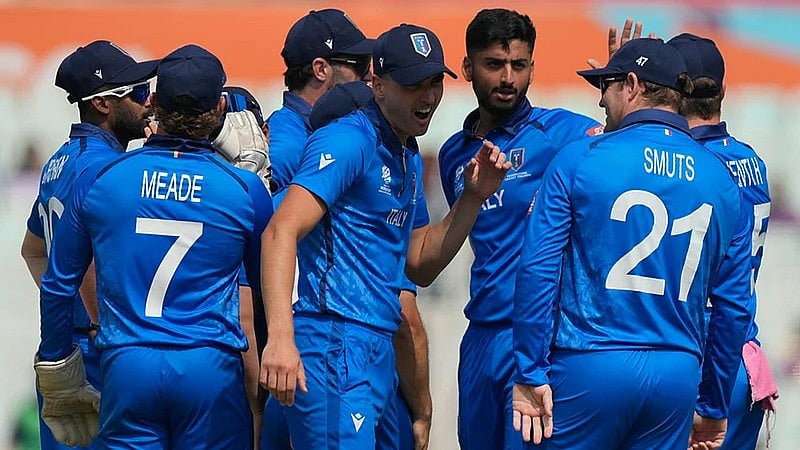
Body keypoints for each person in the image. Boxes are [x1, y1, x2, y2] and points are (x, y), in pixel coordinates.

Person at [259, 23, 510, 450]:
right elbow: (280, 229)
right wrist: (281, 337)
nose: (428, 97)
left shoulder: (405, 152)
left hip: (372, 347)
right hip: (333, 340)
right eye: (414, 84)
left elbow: (420, 263)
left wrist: (471, 198)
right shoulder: (350, 139)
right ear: (376, 84)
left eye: (434, 83)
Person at [512, 38, 752, 449]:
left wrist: (530, 371)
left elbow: (537, 271)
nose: (602, 101)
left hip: (590, 362)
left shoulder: (578, 159)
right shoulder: (724, 181)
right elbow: (733, 307)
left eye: (606, 86)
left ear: (633, 84)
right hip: (676, 375)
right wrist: (713, 405)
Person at [34, 44, 273, 449]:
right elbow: (262, 293)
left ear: (157, 103)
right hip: (207, 368)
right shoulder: (244, 189)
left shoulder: (103, 179)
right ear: (218, 106)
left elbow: (58, 282)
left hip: (128, 366)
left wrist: (57, 365)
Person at [435, 9, 602, 450]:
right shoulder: (455, 154)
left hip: (537, 342)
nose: (508, 77)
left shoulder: (561, 132)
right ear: (468, 67)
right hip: (479, 338)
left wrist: (623, 100)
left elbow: (621, 148)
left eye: (519, 65)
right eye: (494, 65)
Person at [20, 39, 159, 450]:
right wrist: (100, 326)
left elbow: (33, 250)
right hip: (102, 353)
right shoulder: (107, 168)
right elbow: (86, 263)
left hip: (67, 345)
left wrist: (68, 311)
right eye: (135, 93)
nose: (148, 102)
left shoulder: (59, 161)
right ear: (103, 105)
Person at [666, 32, 778, 450]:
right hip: (743, 356)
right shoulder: (752, 160)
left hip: (698, 356)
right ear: (723, 90)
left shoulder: (685, 168)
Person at [308, 81, 423, 450]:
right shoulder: (365, 217)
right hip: (342, 350)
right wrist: (423, 408)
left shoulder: (278, 202)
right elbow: (408, 323)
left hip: (303, 362)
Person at [269, 8, 374, 201]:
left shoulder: (335, 129)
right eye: (360, 64)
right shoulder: (284, 147)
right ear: (321, 69)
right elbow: (262, 226)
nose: (369, 75)